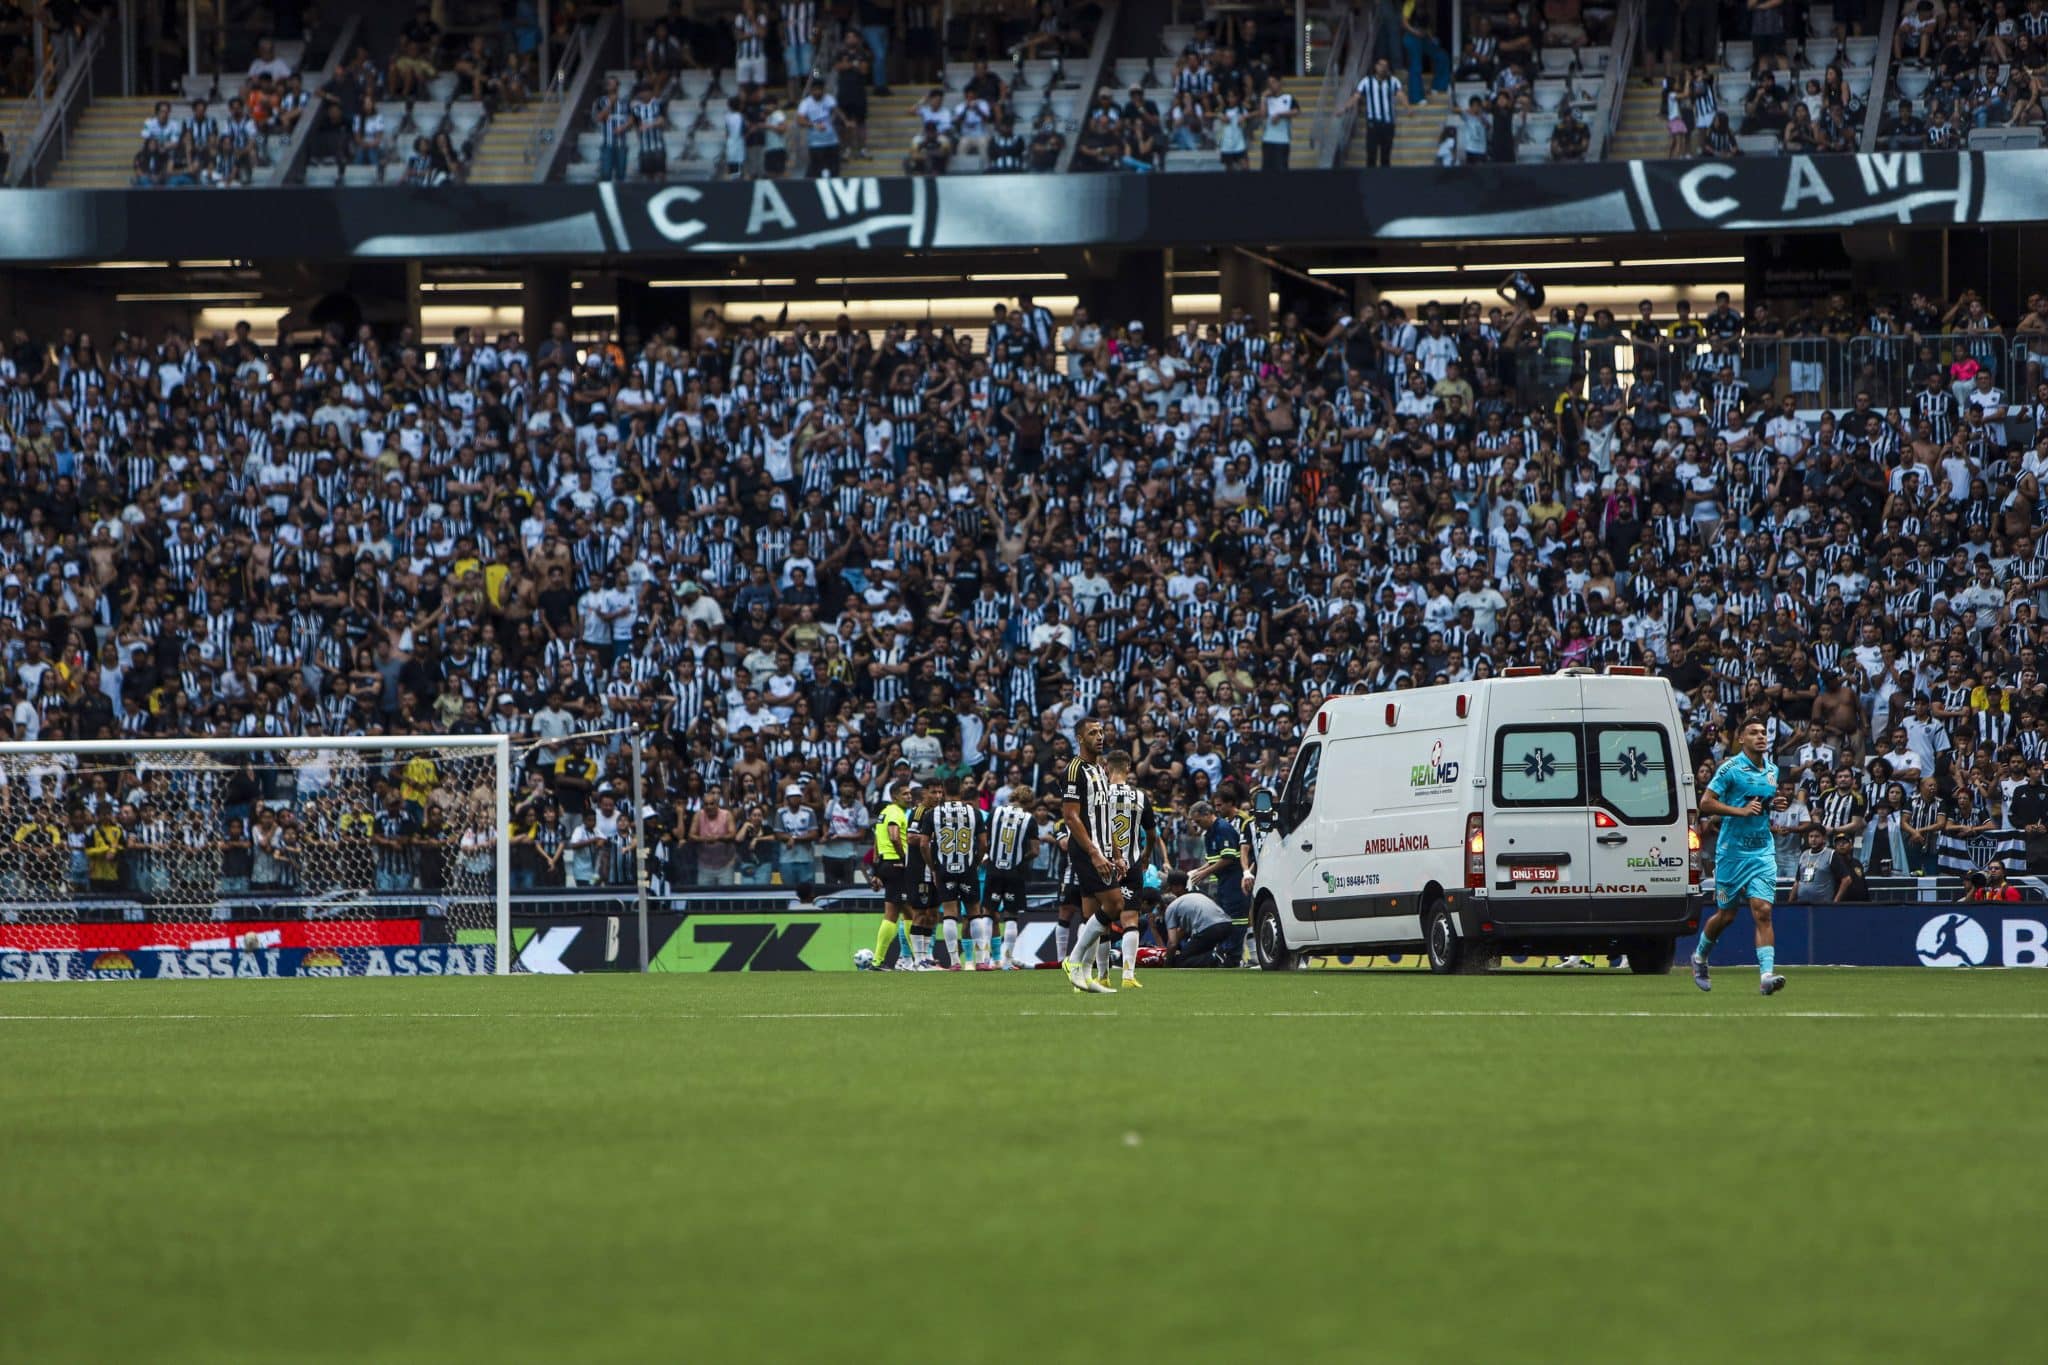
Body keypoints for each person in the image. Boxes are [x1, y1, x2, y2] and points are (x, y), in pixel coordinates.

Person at [1696, 717, 1788, 995]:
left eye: (1763, 732)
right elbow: (1705, 803)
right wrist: (1741, 811)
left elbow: (1761, 804)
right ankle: (1700, 957)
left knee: (1763, 911)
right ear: (1741, 739)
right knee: (1727, 915)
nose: (1761, 737)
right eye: (1753, 733)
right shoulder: (1730, 768)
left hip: (1761, 850)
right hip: (1732, 852)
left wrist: (1775, 803)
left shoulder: (1772, 770)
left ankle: (1766, 976)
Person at [1059, 718, 1122, 994]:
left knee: (1090, 915)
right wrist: (1095, 852)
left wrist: (1117, 853)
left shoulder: (1099, 768)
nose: (1100, 737)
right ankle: (1074, 962)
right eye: (1092, 733)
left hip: (1103, 849)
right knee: (1115, 904)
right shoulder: (1074, 770)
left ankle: (1084, 978)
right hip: (1087, 849)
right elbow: (1071, 818)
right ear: (1080, 739)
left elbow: (1106, 816)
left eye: (1101, 732)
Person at [913, 774, 985, 969]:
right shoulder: (974, 813)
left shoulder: (932, 814)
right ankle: (981, 960)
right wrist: (976, 862)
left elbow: (923, 844)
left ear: (944, 790)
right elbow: (984, 843)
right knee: (974, 913)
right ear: (961, 790)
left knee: (950, 914)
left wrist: (933, 866)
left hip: (944, 868)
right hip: (968, 867)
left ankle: (954, 961)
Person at [982, 790, 1039, 969]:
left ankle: (985, 959)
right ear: (1029, 802)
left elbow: (984, 840)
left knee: (989, 912)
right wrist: (1020, 858)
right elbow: (1035, 851)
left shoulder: (995, 812)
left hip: (994, 869)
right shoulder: (1029, 819)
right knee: (1011, 916)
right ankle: (1007, 961)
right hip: (1015, 872)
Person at [863, 778, 917, 969]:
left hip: (887, 864)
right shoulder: (895, 812)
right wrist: (904, 859)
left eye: (910, 793)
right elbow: (894, 836)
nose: (909, 797)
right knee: (909, 913)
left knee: (896, 914)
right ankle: (919, 960)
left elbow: (877, 844)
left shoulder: (884, 813)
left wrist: (878, 872)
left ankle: (879, 961)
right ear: (894, 796)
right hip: (897, 865)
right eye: (905, 794)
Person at [1157, 871, 1240, 965]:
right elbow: (1182, 932)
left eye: (1170, 887)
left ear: (1177, 887)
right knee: (1198, 952)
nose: (1169, 890)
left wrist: (1167, 963)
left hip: (1209, 929)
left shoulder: (1172, 907)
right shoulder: (1200, 895)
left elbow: (1172, 943)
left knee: (1182, 961)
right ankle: (1222, 958)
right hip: (1227, 925)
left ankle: (1213, 957)